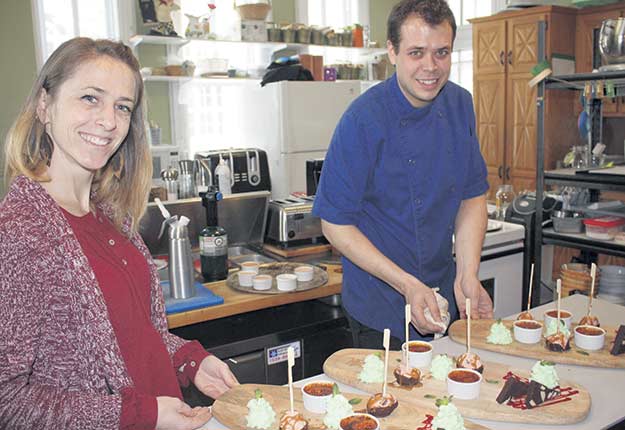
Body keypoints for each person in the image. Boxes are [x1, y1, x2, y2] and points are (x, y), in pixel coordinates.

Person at [0, 37, 238, 430]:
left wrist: (190, 361)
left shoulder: (112, 218)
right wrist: (140, 415)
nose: (109, 121)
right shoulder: (19, 232)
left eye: (122, 107)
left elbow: (135, 337)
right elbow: (8, 400)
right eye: (90, 98)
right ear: (45, 105)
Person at [312, 0, 493, 348]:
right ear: (392, 52)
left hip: (441, 297)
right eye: (416, 53)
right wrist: (407, 285)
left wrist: (467, 273)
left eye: (442, 52)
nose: (431, 67)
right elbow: (334, 224)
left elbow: (472, 196)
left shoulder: (460, 105)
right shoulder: (362, 119)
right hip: (379, 307)